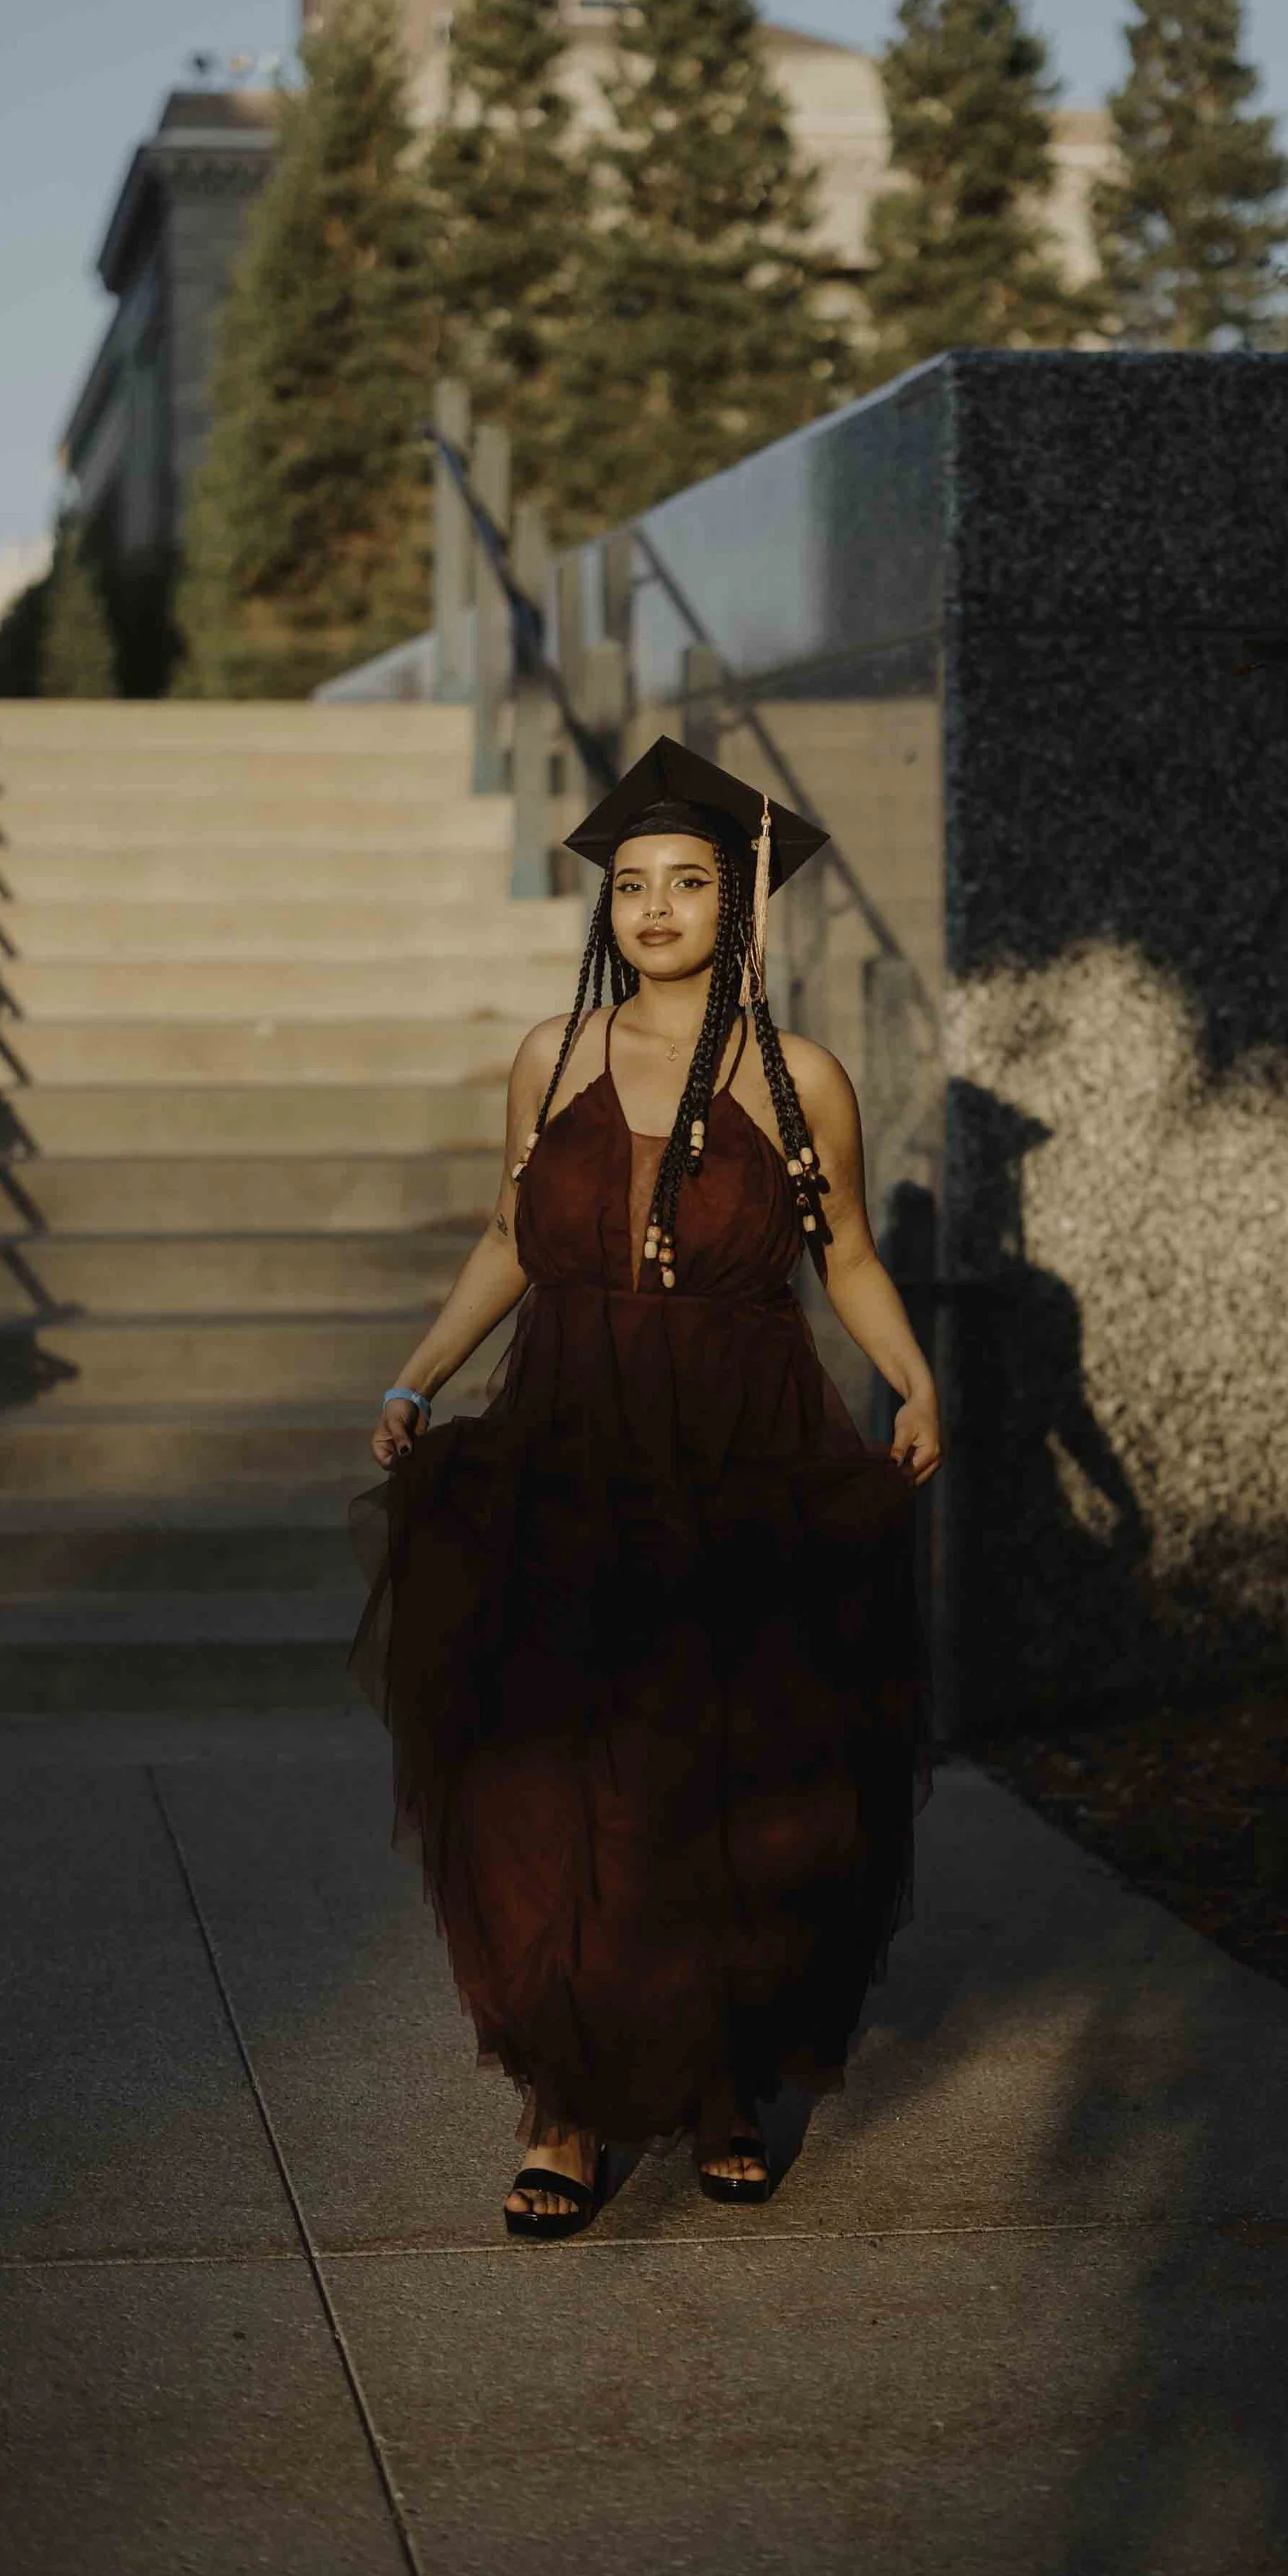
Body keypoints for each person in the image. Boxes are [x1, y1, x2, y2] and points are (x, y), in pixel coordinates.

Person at [349, 735, 939, 2240]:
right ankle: (562, 2101)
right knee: (554, 1784)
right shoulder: (551, 1056)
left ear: (740, 907)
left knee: (729, 1778)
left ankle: (720, 2085)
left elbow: (847, 1256)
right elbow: (508, 1237)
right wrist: (419, 1373)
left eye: (688, 882)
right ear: (605, 905)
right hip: (567, 1451)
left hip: (740, 1462)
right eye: (632, 883)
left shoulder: (798, 1077)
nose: (657, 906)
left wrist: (915, 1375)